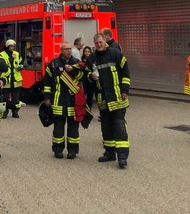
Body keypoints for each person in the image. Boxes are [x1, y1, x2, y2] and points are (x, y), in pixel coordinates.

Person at [87, 32, 130, 168]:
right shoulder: (92, 59)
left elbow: (126, 72)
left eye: (101, 42)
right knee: (106, 128)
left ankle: (122, 157)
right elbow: (86, 76)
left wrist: (125, 90)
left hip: (118, 98)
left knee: (119, 127)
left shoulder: (116, 54)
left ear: (105, 41)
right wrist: (90, 77)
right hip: (103, 100)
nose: (99, 45)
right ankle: (110, 153)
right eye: (96, 43)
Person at [43, 42, 85, 159]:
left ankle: (72, 150)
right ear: (61, 50)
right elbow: (47, 82)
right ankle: (58, 150)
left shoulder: (77, 63)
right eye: (66, 49)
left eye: (70, 49)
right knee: (58, 128)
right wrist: (46, 97)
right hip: (58, 101)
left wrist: (73, 71)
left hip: (73, 101)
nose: (69, 51)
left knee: (73, 128)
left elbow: (83, 77)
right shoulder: (53, 64)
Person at [0, 39, 23, 118]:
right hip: (6, 79)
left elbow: (20, 62)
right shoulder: (1, 55)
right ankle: (5, 112)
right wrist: (11, 59)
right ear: (7, 46)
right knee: (5, 98)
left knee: (16, 99)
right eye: (11, 46)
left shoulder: (17, 54)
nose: (13, 48)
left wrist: (20, 67)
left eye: (14, 46)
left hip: (16, 80)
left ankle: (15, 112)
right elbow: (1, 65)